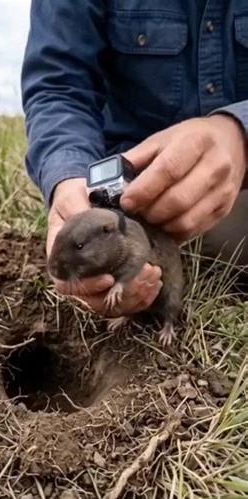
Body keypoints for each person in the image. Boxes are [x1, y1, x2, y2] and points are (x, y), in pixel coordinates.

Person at [21, 0, 248, 317]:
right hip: (123, 193)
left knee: (228, 244)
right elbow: (59, 83)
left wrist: (239, 130)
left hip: (241, 187)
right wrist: (67, 179)